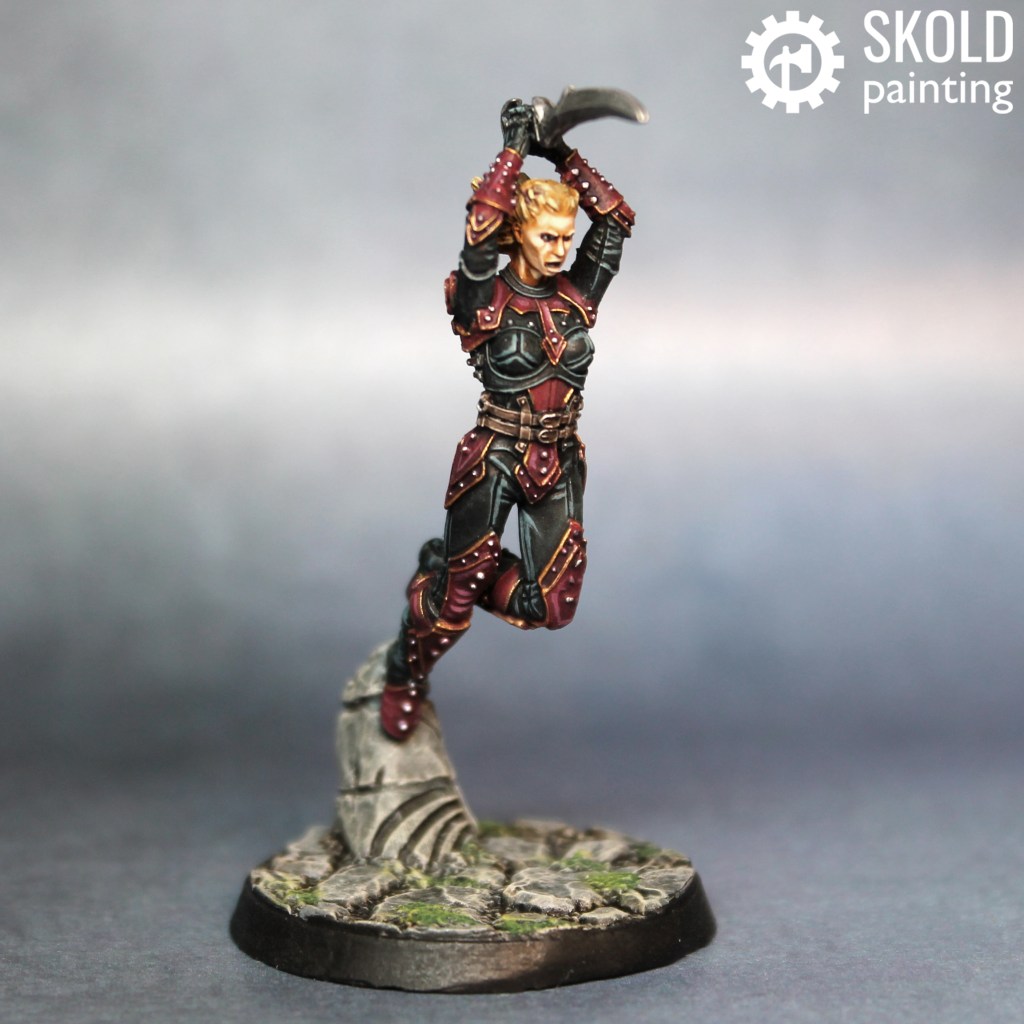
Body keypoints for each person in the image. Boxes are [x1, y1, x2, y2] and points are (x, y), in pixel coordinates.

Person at [380, 99, 635, 740]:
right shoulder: (482, 297)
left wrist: (561, 152)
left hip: (560, 458)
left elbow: (616, 221)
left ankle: (452, 563)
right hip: (495, 456)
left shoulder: (576, 295)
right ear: (518, 232)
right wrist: (513, 151)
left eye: (565, 239)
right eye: (547, 237)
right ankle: (405, 672)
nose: (560, 250)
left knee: (551, 606)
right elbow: (477, 235)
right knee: (452, 608)